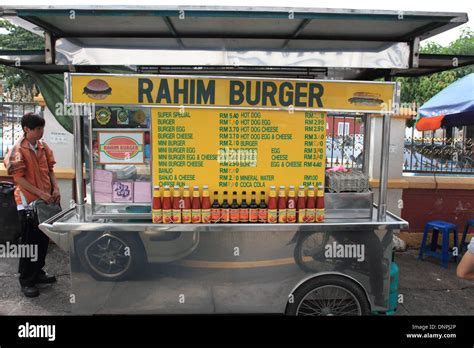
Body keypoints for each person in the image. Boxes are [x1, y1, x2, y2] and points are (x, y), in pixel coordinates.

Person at [3, 113, 60, 297]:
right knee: (30, 242)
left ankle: (38, 273)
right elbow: (18, 179)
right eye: (38, 129)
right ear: (27, 129)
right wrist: (41, 193)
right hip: (28, 204)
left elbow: (50, 170)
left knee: (43, 239)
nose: (41, 132)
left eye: (42, 128)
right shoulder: (18, 150)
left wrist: (56, 188)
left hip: (45, 201)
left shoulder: (43, 147)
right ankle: (26, 280)